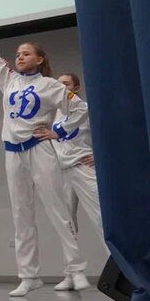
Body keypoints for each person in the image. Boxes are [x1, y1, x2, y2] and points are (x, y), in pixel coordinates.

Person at [0, 0, 89, 297]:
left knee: (57, 209)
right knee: (21, 213)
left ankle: (75, 269)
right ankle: (29, 275)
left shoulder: (51, 86)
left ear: (40, 59)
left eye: (26, 53)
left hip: (40, 150)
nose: (20, 57)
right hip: (13, 152)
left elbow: (80, 110)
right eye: (18, 54)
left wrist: (58, 131)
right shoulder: (8, 79)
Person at [53, 73, 103, 253]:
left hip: (84, 166)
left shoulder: (87, 109)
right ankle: (72, 271)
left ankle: (121, 269)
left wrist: (99, 156)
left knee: (100, 217)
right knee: (66, 223)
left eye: (66, 84)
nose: (62, 88)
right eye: (58, 85)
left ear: (76, 87)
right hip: (61, 170)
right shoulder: (54, 114)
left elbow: (105, 135)